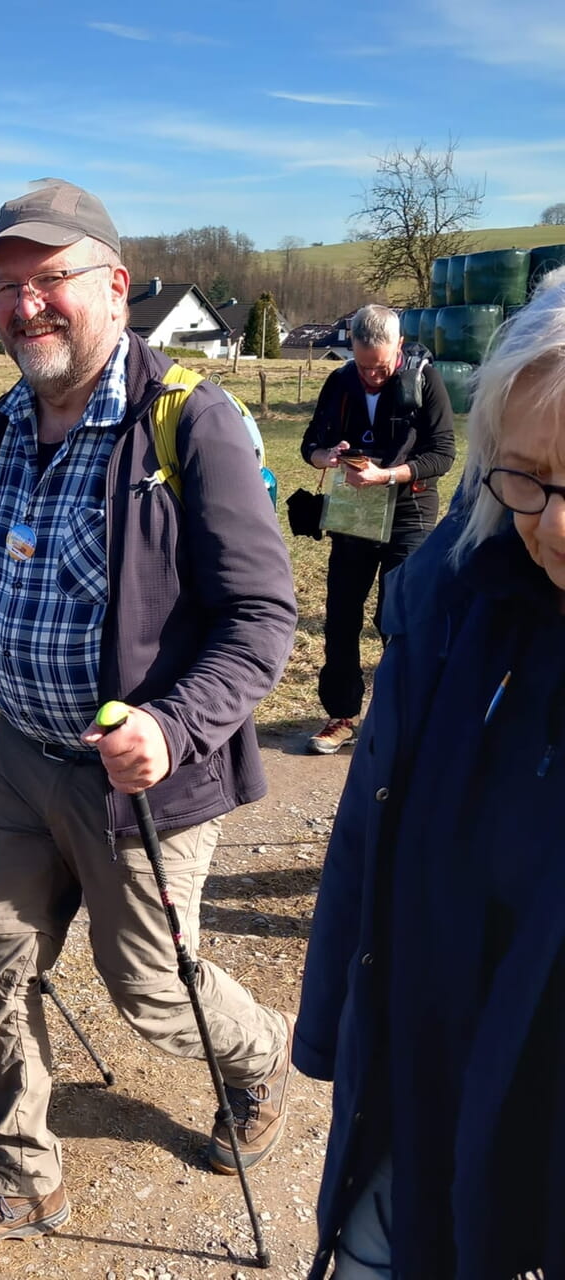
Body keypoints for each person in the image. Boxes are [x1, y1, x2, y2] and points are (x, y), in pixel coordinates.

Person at [0, 180, 298, 1268]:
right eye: (7, 288)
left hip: (144, 780)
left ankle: (259, 1061)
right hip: (19, 757)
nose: (24, 306)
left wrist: (173, 724)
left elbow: (261, 616)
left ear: (112, 283)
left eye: (48, 279)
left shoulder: (187, 419)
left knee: (150, 987)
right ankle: (19, 1175)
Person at [294, 268, 565, 1279]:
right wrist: (329, 1029)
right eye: (528, 477)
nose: (555, 527)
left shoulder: (426, 393)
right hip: (424, 1082)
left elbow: (436, 456)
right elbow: (372, 828)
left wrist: (397, 478)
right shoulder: (456, 612)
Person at [300, 305, 455, 754]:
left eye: (381, 366)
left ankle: (405, 713)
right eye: (363, 365)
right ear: (352, 349)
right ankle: (341, 715)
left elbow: (443, 453)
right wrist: (325, 456)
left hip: (410, 512)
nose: (371, 376)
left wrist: (389, 474)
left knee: (399, 616)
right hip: (354, 515)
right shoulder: (339, 382)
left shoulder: (426, 380)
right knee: (342, 615)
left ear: (400, 347)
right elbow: (311, 442)